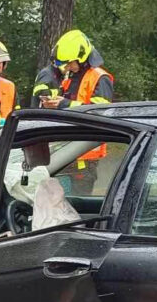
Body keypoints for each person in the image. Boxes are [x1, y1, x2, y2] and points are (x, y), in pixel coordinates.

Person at [32, 29, 115, 185]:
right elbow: (68, 103)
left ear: (82, 58)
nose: (68, 67)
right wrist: (53, 103)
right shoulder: (72, 77)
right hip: (67, 152)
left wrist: (63, 104)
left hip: (85, 154)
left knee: (78, 198)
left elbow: (99, 113)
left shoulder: (100, 78)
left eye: (70, 62)